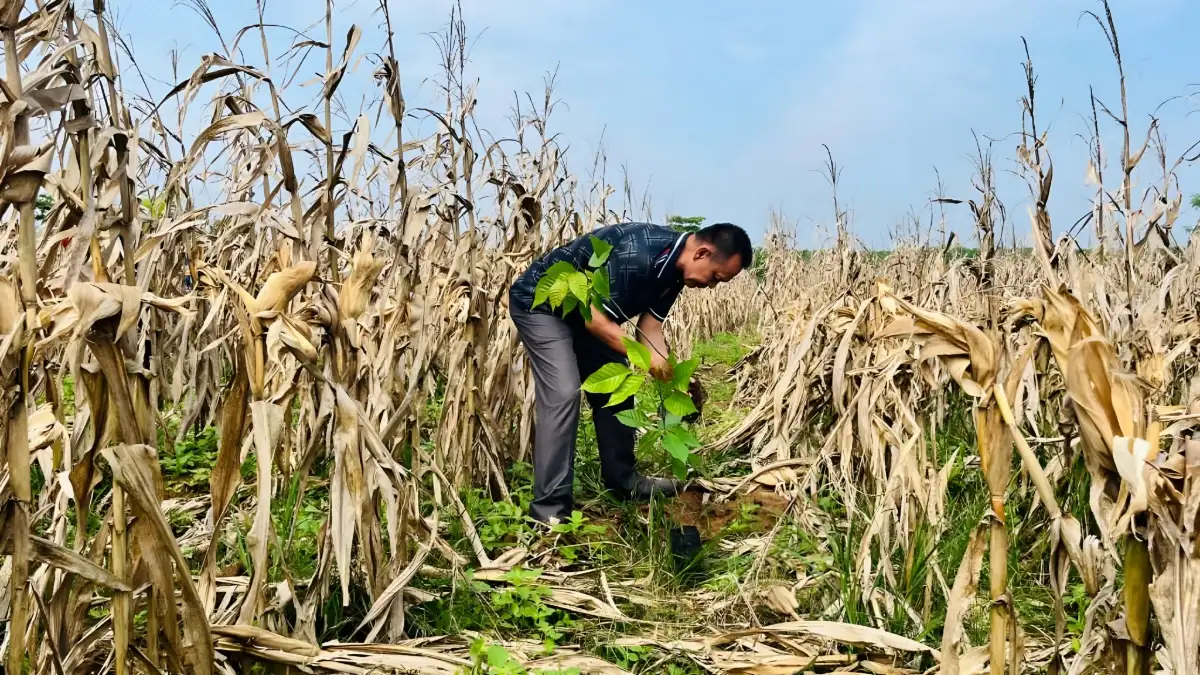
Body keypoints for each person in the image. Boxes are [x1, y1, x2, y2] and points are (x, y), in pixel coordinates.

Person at [508, 221, 754, 524]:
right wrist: (646, 362)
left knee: (616, 384)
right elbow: (595, 320)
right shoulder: (639, 253)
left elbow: (650, 329)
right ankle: (550, 511)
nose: (712, 286)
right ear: (702, 253)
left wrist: (672, 377)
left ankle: (623, 481)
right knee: (563, 391)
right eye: (716, 277)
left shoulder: (675, 272)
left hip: (585, 313)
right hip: (542, 305)